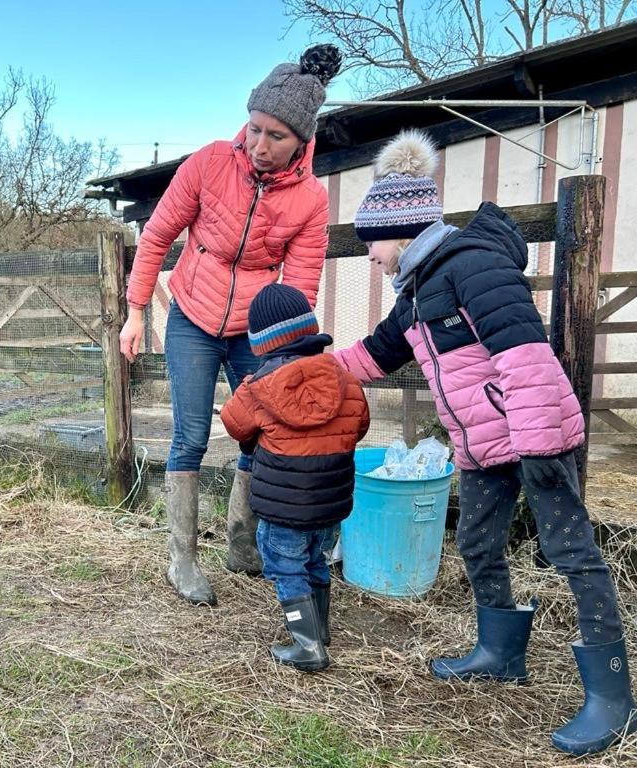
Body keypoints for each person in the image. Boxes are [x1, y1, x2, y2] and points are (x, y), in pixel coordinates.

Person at [332, 129, 636, 756]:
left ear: (407, 230)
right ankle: (500, 652)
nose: (371, 258)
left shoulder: (474, 267)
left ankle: (613, 696)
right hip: (485, 446)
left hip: (534, 435)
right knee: (474, 538)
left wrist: (536, 446)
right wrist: (306, 367)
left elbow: (526, 359)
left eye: (374, 244)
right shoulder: (414, 296)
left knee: (570, 550)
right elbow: (372, 357)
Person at [119, 45, 342, 606]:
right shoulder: (210, 162)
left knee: (260, 433)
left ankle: (243, 546)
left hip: (254, 331)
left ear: (301, 141)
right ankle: (183, 559)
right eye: (254, 128)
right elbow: (157, 235)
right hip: (193, 315)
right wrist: (136, 311)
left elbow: (302, 284)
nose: (259, 145)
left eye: (276, 136)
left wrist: (290, 353)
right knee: (190, 436)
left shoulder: (311, 199)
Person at [221, 284, 369, 671]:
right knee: (315, 559)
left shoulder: (258, 388)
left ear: (261, 341)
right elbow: (360, 426)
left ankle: (307, 647)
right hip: (331, 505)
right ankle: (320, 630)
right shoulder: (345, 378)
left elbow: (234, 426)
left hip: (284, 508)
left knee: (286, 567)